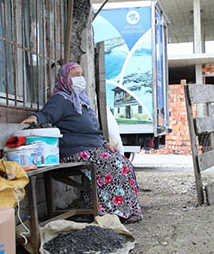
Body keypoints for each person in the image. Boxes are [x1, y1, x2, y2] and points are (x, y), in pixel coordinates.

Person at [21, 62, 143, 223]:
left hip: (92, 147)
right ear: (65, 79)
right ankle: (111, 212)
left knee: (124, 163)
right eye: (75, 75)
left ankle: (123, 210)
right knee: (115, 165)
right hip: (74, 150)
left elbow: (93, 131)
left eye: (81, 74)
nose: (81, 78)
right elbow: (46, 114)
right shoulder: (61, 99)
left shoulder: (81, 101)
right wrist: (33, 118)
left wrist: (106, 143)